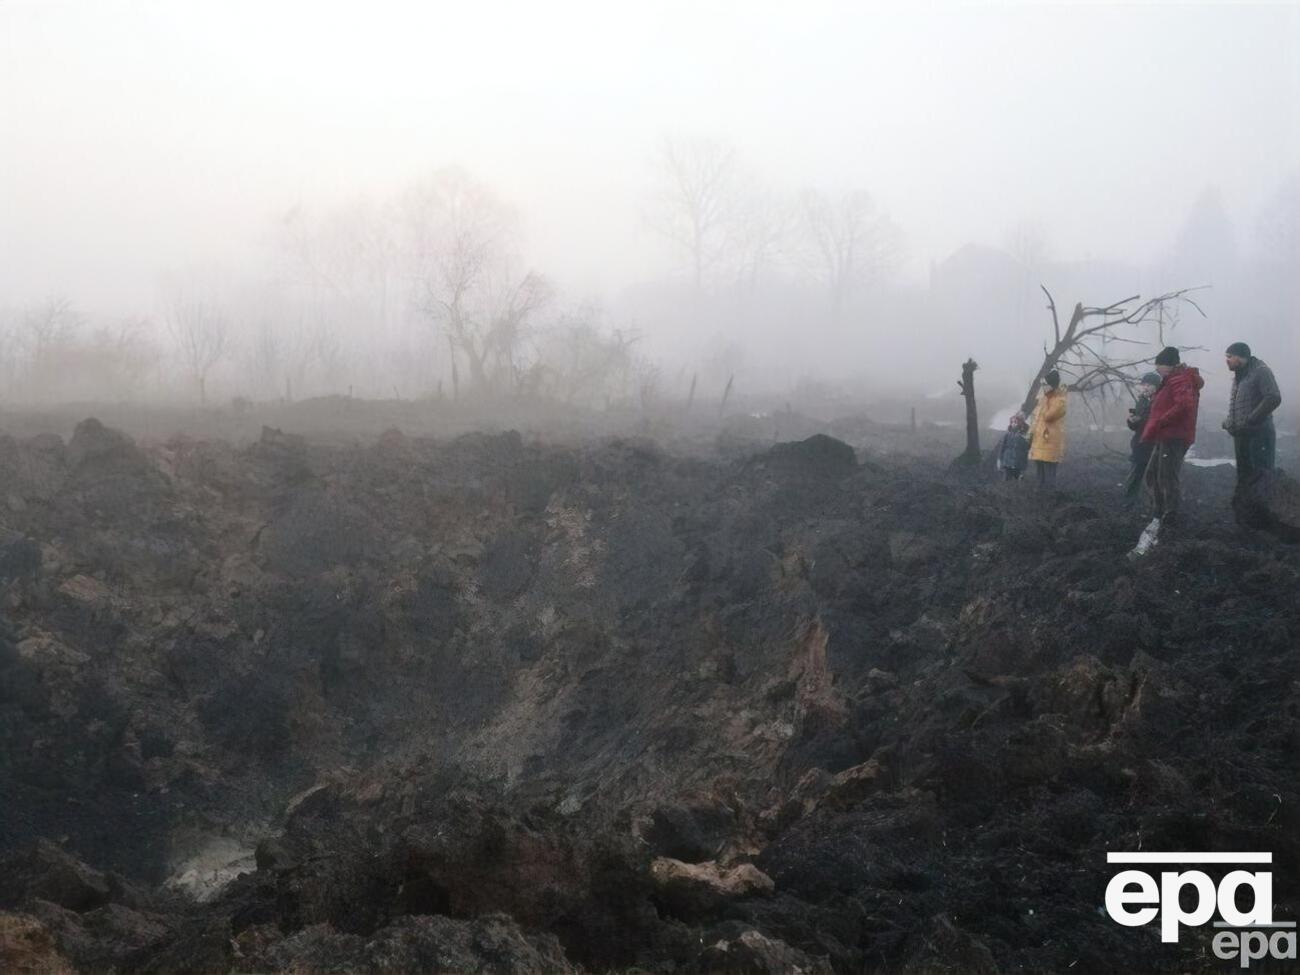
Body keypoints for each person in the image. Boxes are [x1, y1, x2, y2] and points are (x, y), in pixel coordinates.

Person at [1141, 346, 1204, 528]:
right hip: (1166, 434)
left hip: (1174, 435)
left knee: (1167, 476)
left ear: (1167, 365)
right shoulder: (1172, 380)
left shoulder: (1179, 380)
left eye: (1158, 365)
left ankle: (1169, 515)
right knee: (1153, 474)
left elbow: (1185, 405)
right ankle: (1159, 512)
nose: (1157, 370)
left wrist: (1162, 420)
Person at [1221, 341, 1281, 488]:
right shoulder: (1239, 376)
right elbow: (1240, 404)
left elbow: (1273, 397)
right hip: (1242, 436)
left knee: (1261, 479)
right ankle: (1245, 510)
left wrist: (1251, 420)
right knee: (1245, 480)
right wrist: (1230, 422)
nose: (1226, 360)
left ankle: (1262, 511)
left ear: (1240, 357)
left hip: (1259, 435)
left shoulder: (1261, 371)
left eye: (1229, 356)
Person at [1123, 372, 1162, 498]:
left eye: (1149, 385)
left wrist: (1140, 420)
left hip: (1154, 445)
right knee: (1134, 476)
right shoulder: (1142, 400)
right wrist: (1131, 421)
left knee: (1155, 479)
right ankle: (1128, 504)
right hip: (1140, 444)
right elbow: (1136, 427)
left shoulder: (1160, 402)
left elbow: (1157, 422)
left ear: (1156, 386)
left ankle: (1155, 507)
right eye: (1144, 384)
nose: (1145, 387)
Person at [1028, 370, 1067, 489]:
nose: (1043, 388)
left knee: (1050, 473)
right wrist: (1030, 433)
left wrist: (1048, 400)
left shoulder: (1060, 400)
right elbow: (1036, 419)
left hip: (1050, 443)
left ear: (1051, 385)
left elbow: (1048, 416)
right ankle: (1040, 497)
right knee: (1039, 473)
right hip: (1039, 441)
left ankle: (1050, 497)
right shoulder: (1043, 399)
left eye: (1045, 385)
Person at [995, 413, 1030, 481]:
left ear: (1021, 423)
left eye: (1015, 422)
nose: (1013, 424)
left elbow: (1027, 447)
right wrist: (999, 459)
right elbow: (1002, 447)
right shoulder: (1008, 434)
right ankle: (1007, 488)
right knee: (1006, 478)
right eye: (1012, 422)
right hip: (1007, 461)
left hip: (1019, 462)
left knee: (1019, 479)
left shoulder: (1025, 434)